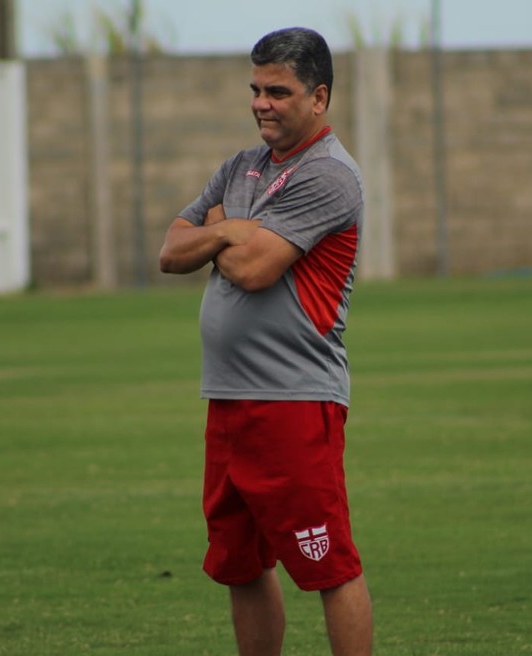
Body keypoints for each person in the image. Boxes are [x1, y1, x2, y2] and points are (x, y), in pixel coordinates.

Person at [158, 26, 372, 656]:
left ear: (319, 97)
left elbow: (254, 270)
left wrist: (224, 232)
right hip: (226, 401)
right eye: (255, 89)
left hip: (294, 402)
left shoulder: (331, 176)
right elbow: (171, 251)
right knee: (241, 563)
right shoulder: (240, 165)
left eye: (277, 91)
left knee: (328, 563)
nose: (261, 103)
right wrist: (231, 232)